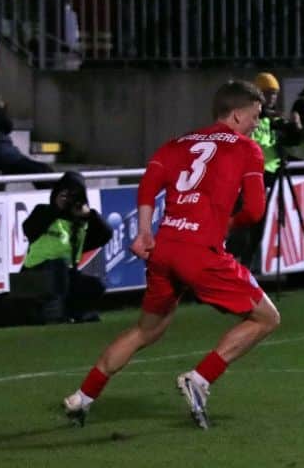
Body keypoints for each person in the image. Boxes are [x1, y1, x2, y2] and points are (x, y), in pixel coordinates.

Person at [62, 80, 280, 429]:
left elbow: (149, 185)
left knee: (146, 330)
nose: (257, 124)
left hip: (164, 249)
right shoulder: (246, 150)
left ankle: (83, 396)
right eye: (255, 117)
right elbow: (255, 211)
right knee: (266, 318)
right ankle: (200, 378)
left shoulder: (177, 144)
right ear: (237, 116)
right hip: (201, 253)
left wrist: (144, 231)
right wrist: (226, 225)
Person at [19, 171, 112, 323]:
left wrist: (90, 215)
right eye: (64, 194)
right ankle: (52, 315)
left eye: (73, 196)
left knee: (95, 285)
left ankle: (77, 313)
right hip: (30, 279)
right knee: (59, 265)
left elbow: (106, 234)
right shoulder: (42, 212)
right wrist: (56, 208)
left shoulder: (81, 225)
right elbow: (29, 228)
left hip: (63, 279)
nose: (68, 199)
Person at [227, 72, 297, 267]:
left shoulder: (274, 119)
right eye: (268, 93)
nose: (272, 97)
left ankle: (245, 269)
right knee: (244, 228)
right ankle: (229, 266)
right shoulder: (248, 115)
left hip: (269, 175)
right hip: (250, 177)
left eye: (274, 93)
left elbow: (292, 141)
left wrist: (294, 129)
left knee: (258, 228)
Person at [0, 93, 51, 175]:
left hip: (10, 156)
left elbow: (8, 127)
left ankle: (56, 187)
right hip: (3, 157)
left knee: (45, 169)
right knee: (39, 171)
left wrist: (2, 110)